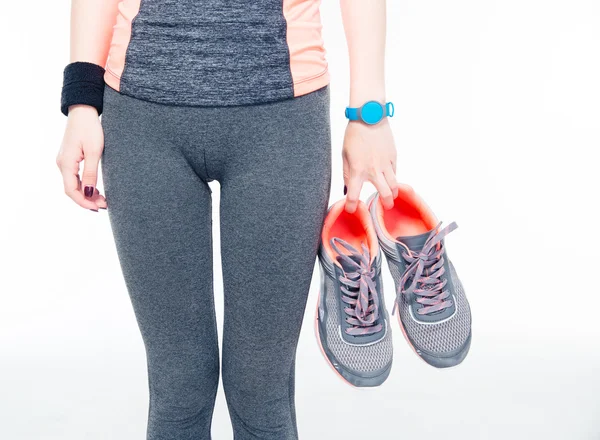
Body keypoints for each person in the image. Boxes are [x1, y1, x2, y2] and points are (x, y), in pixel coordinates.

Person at [56, 0, 398, 438]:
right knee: (179, 386)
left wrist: (368, 116)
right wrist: (81, 104)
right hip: (142, 119)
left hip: (283, 119)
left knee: (261, 390)